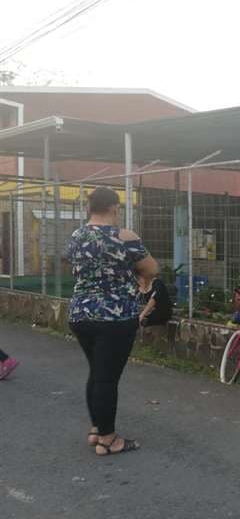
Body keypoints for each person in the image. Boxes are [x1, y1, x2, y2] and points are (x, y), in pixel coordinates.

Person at [66, 187, 159, 456]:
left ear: (89, 207)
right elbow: (152, 269)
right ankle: (109, 440)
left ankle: (97, 428)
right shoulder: (124, 236)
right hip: (114, 316)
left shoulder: (76, 236)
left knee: (97, 372)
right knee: (107, 379)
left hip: (80, 313)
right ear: (115, 207)